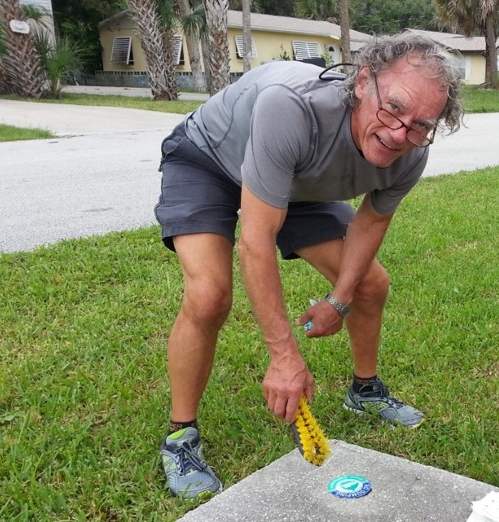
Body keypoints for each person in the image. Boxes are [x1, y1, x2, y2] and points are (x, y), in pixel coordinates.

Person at [154, 34, 464, 498]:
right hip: (210, 160)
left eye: (420, 124)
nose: (400, 133)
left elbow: (371, 221)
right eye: (393, 108)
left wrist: (338, 301)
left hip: (296, 181)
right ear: (363, 82)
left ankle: (365, 391)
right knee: (209, 295)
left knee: (370, 285)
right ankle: (180, 437)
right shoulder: (292, 108)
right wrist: (284, 357)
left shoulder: (411, 153)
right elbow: (255, 240)